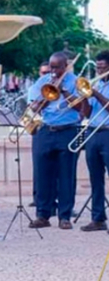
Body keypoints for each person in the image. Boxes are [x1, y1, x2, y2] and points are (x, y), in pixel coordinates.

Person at [28, 52, 81, 230]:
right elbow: (33, 107)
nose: (54, 70)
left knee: (66, 175)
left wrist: (64, 91)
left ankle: (64, 216)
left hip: (68, 130)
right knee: (42, 174)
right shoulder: (43, 82)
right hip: (46, 130)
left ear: (65, 66)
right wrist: (47, 94)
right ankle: (43, 214)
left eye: (57, 67)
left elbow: (81, 108)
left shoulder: (75, 81)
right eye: (51, 66)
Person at [79, 51, 109, 232]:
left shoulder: (97, 87)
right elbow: (88, 114)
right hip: (93, 132)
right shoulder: (97, 83)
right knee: (95, 179)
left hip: (108, 133)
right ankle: (97, 218)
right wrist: (84, 100)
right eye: (97, 67)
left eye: (102, 67)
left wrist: (95, 93)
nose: (99, 70)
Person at [30, 61, 51, 208]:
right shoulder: (35, 87)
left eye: (49, 72)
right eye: (43, 73)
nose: (47, 75)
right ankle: (40, 201)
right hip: (40, 129)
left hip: (57, 127)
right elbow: (33, 108)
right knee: (40, 170)